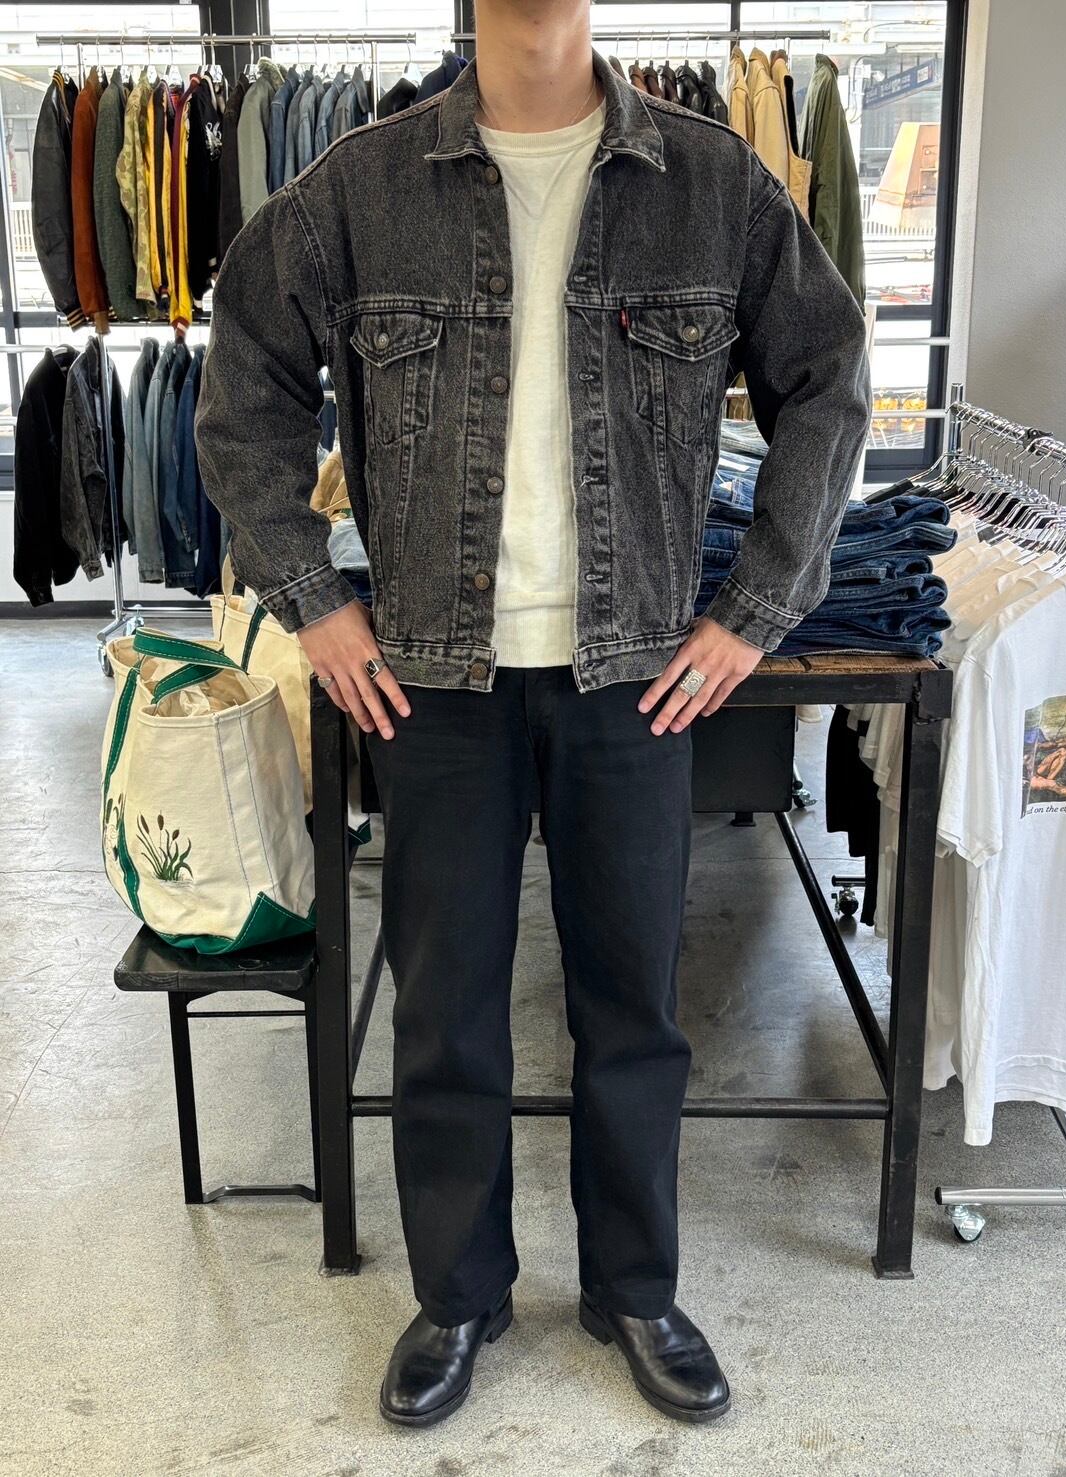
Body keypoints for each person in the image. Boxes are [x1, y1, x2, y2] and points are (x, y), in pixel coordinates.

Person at [195, 0, 870, 1430]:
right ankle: (459, 1294)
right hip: (435, 677)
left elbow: (828, 380)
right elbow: (243, 387)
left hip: (634, 673)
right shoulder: (363, 188)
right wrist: (313, 597)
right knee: (445, 1005)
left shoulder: (711, 183)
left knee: (634, 1003)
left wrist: (755, 607)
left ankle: (636, 1287)